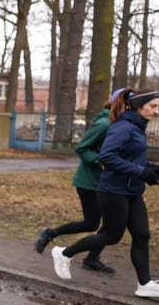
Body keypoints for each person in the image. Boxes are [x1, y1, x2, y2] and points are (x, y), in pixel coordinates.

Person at [51, 88, 159, 298]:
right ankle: (64, 253)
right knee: (111, 236)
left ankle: (145, 284)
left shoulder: (137, 127)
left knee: (142, 235)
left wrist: (153, 168)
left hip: (132, 191)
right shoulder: (122, 127)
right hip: (113, 191)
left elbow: (131, 159)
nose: (156, 111)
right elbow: (107, 157)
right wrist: (141, 172)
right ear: (138, 106)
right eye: (153, 106)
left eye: (157, 107)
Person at [34, 88, 124, 273]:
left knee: (109, 223)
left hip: (104, 183)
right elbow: (82, 148)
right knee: (92, 223)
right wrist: (101, 161)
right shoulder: (104, 124)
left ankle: (91, 258)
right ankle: (50, 233)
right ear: (119, 104)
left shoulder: (119, 125)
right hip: (89, 183)